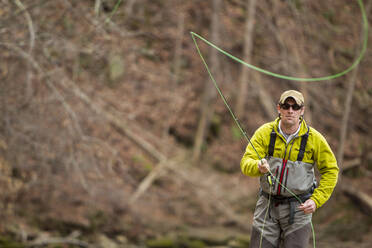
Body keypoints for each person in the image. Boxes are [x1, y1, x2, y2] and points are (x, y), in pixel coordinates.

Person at [240, 90, 339, 248]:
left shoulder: (315, 139)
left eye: (295, 107)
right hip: (267, 206)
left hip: (299, 210)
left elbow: (331, 171)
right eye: (286, 106)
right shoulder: (265, 133)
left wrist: (316, 200)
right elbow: (246, 162)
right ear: (279, 108)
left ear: (302, 111)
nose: (290, 111)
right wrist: (257, 166)